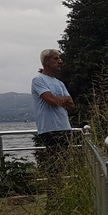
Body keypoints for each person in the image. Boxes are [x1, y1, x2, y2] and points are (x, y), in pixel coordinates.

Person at [31, 49, 75, 197]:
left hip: (65, 127)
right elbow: (50, 100)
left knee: (63, 166)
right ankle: (54, 199)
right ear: (46, 62)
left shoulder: (59, 83)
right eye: (55, 59)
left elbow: (71, 104)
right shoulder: (38, 80)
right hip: (49, 129)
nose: (59, 62)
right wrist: (62, 99)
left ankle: (61, 196)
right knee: (54, 167)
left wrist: (59, 100)